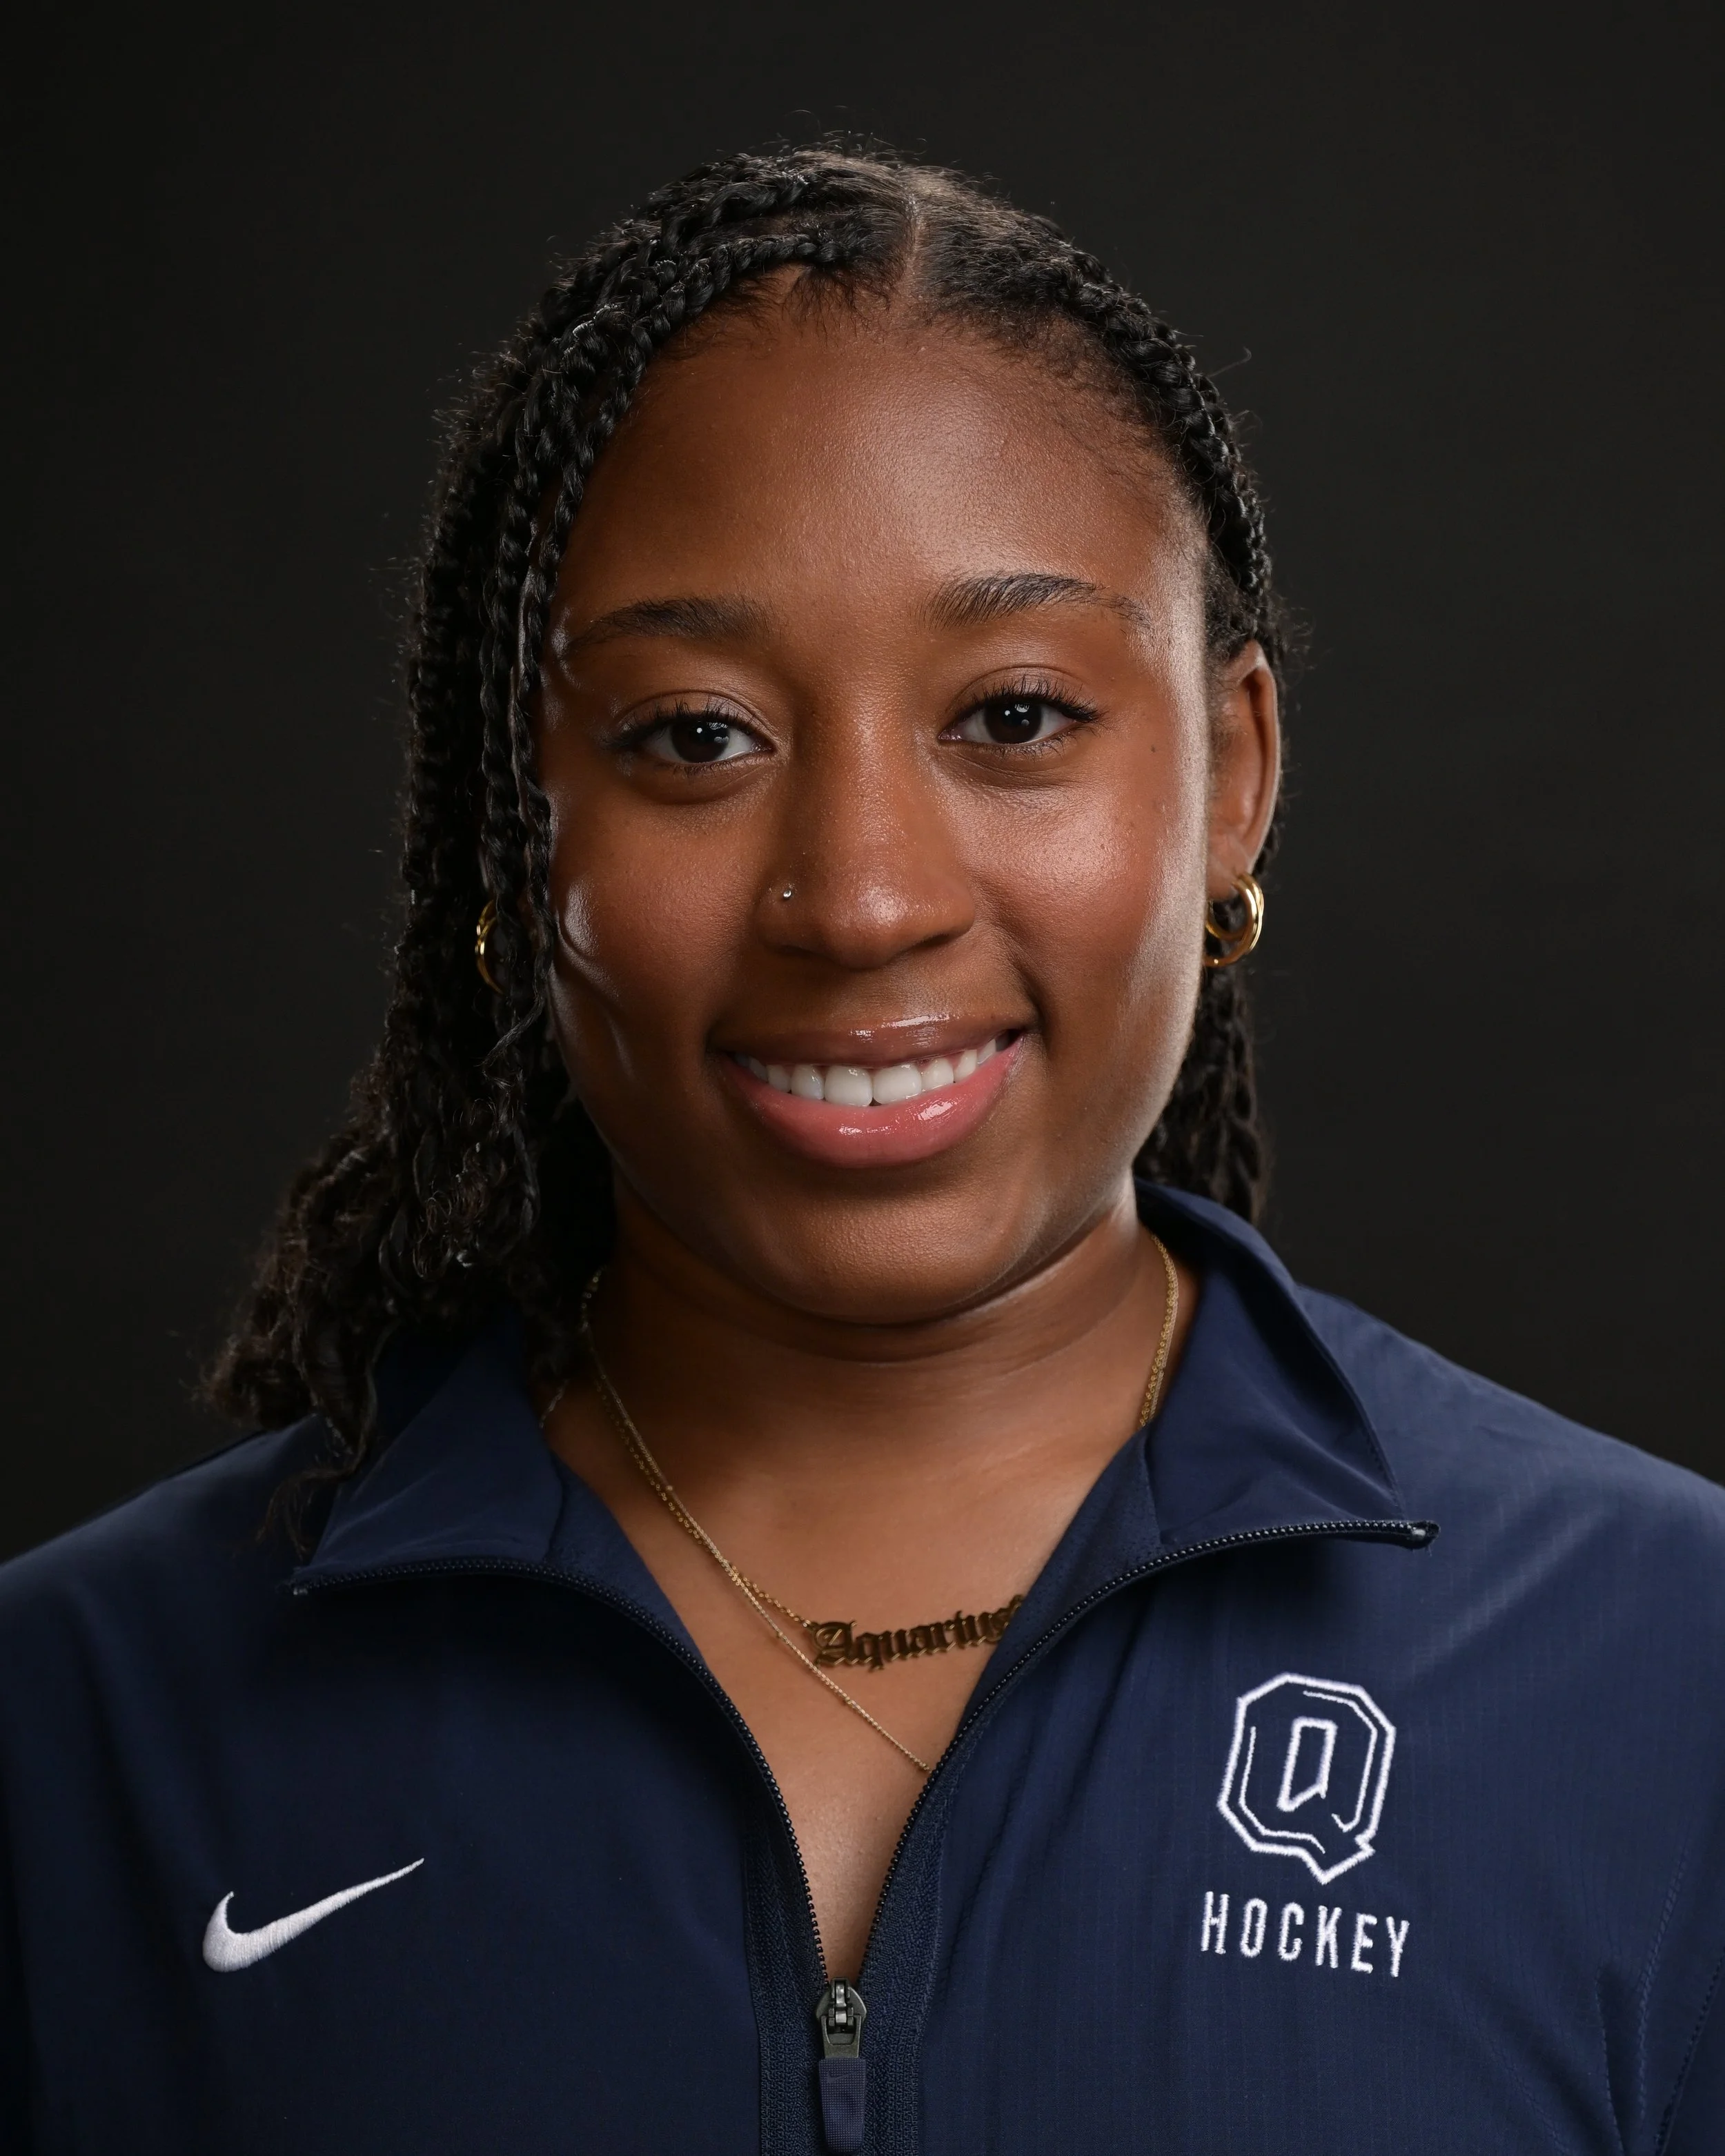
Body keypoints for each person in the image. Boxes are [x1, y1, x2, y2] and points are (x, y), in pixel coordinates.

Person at [1, 145, 1720, 2156]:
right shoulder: (78, 1730)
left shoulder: (1664, 1681)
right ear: (511, 822)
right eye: (693, 736)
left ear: (1233, 775)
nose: (859, 894)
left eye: (1010, 712)